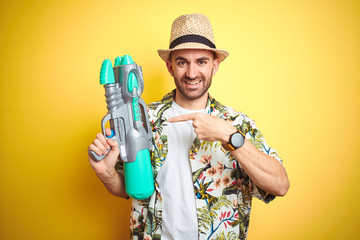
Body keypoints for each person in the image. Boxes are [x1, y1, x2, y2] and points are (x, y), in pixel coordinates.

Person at [88, 13, 290, 240]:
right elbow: (131, 189)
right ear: (170, 67)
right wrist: (106, 174)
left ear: (215, 66)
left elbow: (280, 185)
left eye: (201, 61)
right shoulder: (142, 119)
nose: (192, 73)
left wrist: (229, 135)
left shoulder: (237, 124)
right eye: (182, 62)